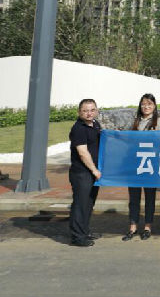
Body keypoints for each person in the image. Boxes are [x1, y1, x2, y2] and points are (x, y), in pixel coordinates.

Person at [123, 93, 160, 241]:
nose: (146, 107)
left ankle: (147, 227)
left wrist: (156, 136)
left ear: (154, 106)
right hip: (134, 164)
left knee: (149, 197)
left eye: (149, 104)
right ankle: (132, 227)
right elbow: (128, 140)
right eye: (143, 104)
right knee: (133, 198)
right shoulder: (135, 121)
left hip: (150, 165)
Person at [68, 99, 102, 247]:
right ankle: (77, 237)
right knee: (80, 204)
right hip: (82, 173)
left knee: (88, 204)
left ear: (97, 111)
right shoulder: (78, 128)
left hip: (92, 173)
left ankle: (84, 231)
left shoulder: (95, 125)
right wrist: (94, 170)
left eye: (92, 110)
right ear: (79, 112)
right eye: (85, 111)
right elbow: (82, 152)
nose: (89, 113)